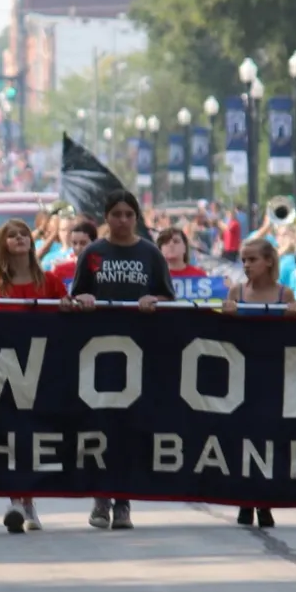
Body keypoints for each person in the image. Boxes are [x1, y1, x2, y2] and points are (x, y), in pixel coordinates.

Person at [72, 190, 175, 532]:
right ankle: (101, 496)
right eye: (116, 213)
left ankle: (124, 501)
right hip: (99, 352)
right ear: (106, 217)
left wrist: (154, 299)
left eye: (129, 214)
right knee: (101, 424)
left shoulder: (151, 253)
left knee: (131, 426)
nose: (122, 220)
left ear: (136, 217)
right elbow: (74, 297)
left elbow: (169, 298)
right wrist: (83, 299)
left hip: (140, 352)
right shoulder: (92, 253)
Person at [0, 218, 71, 534]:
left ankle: (29, 501)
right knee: (9, 435)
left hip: (42, 370)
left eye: (24, 233)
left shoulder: (50, 281)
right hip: (5, 372)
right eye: (12, 235)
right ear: (3, 245)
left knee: (32, 436)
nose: (20, 238)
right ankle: (16, 500)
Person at [223, 236, 296, 529]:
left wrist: (294, 315)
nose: (246, 265)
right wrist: (226, 314)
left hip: (273, 376)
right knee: (243, 439)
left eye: (252, 259)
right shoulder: (236, 291)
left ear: (269, 261)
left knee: (270, 438)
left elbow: (295, 340)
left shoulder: (284, 294)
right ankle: (244, 499)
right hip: (241, 378)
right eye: (243, 260)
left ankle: (265, 501)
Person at [48, 220, 96, 285]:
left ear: (95, 243)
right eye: (74, 243)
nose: (78, 248)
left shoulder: (104, 267)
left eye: (83, 243)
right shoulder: (60, 270)